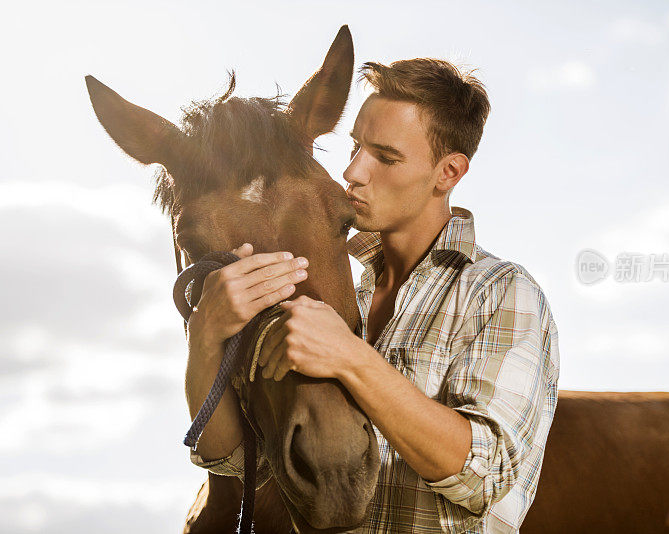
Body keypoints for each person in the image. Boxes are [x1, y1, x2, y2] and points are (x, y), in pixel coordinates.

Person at [186, 58, 560, 533]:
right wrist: (205, 336)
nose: (353, 171)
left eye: (385, 157)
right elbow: (239, 463)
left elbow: (486, 475)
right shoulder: (337, 286)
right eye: (356, 146)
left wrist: (351, 357)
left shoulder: (502, 293)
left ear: (447, 173)